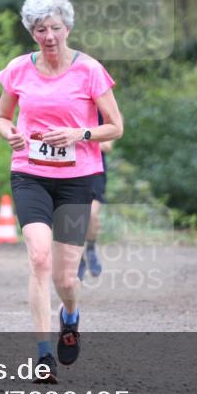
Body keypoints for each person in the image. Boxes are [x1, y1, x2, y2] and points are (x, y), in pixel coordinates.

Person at [0, 0, 123, 384]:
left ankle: (70, 316)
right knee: (38, 258)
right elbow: (1, 117)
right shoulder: (18, 69)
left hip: (76, 179)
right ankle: (43, 352)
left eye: (54, 28)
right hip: (30, 173)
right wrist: (11, 134)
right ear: (32, 33)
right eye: (39, 29)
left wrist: (79, 132)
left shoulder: (89, 71)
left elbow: (115, 126)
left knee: (66, 278)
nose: (48, 36)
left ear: (67, 28)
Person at [78, 110, 111, 280]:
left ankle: (90, 248)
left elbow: (107, 145)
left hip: (95, 170)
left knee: (90, 214)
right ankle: (77, 258)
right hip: (69, 169)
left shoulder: (106, 111)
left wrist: (79, 135)